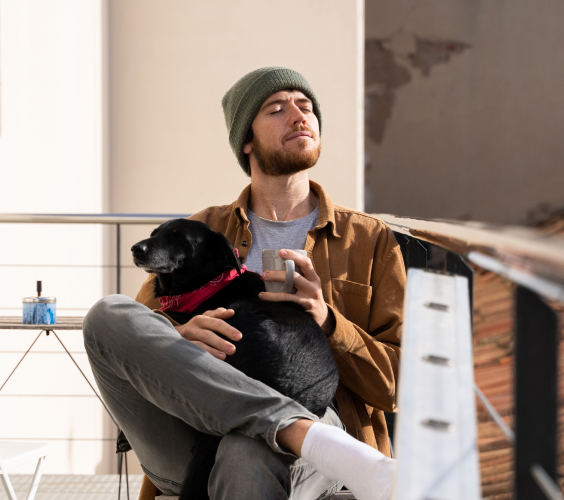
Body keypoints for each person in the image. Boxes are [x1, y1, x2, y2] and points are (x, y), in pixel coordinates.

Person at [83, 67, 405, 500]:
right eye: (277, 108)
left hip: (318, 434)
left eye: (306, 106)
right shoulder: (199, 232)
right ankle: (292, 429)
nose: (299, 115)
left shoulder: (368, 239)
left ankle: (299, 433)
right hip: (191, 436)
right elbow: (137, 343)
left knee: (246, 450)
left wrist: (328, 321)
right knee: (107, 314)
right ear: (246, 141)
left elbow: (400, 386)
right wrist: (180, 337)